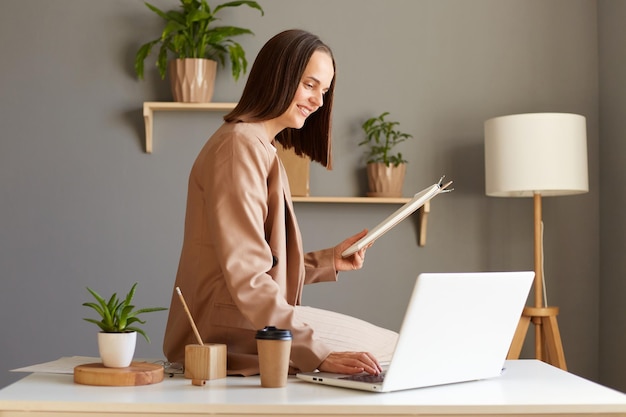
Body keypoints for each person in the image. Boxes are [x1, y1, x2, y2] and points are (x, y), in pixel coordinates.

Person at [163, 29, 398, 376]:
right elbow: (246, 275)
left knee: (389, 351)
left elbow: (258, 261)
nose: (318, 101)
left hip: (239, 319)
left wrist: (327, 261)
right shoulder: (239, 146)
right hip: (222, 330)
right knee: (392, 350)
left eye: (325, 90)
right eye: (310, 85)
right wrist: (316, 353)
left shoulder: (257, 145)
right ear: (279, 77)